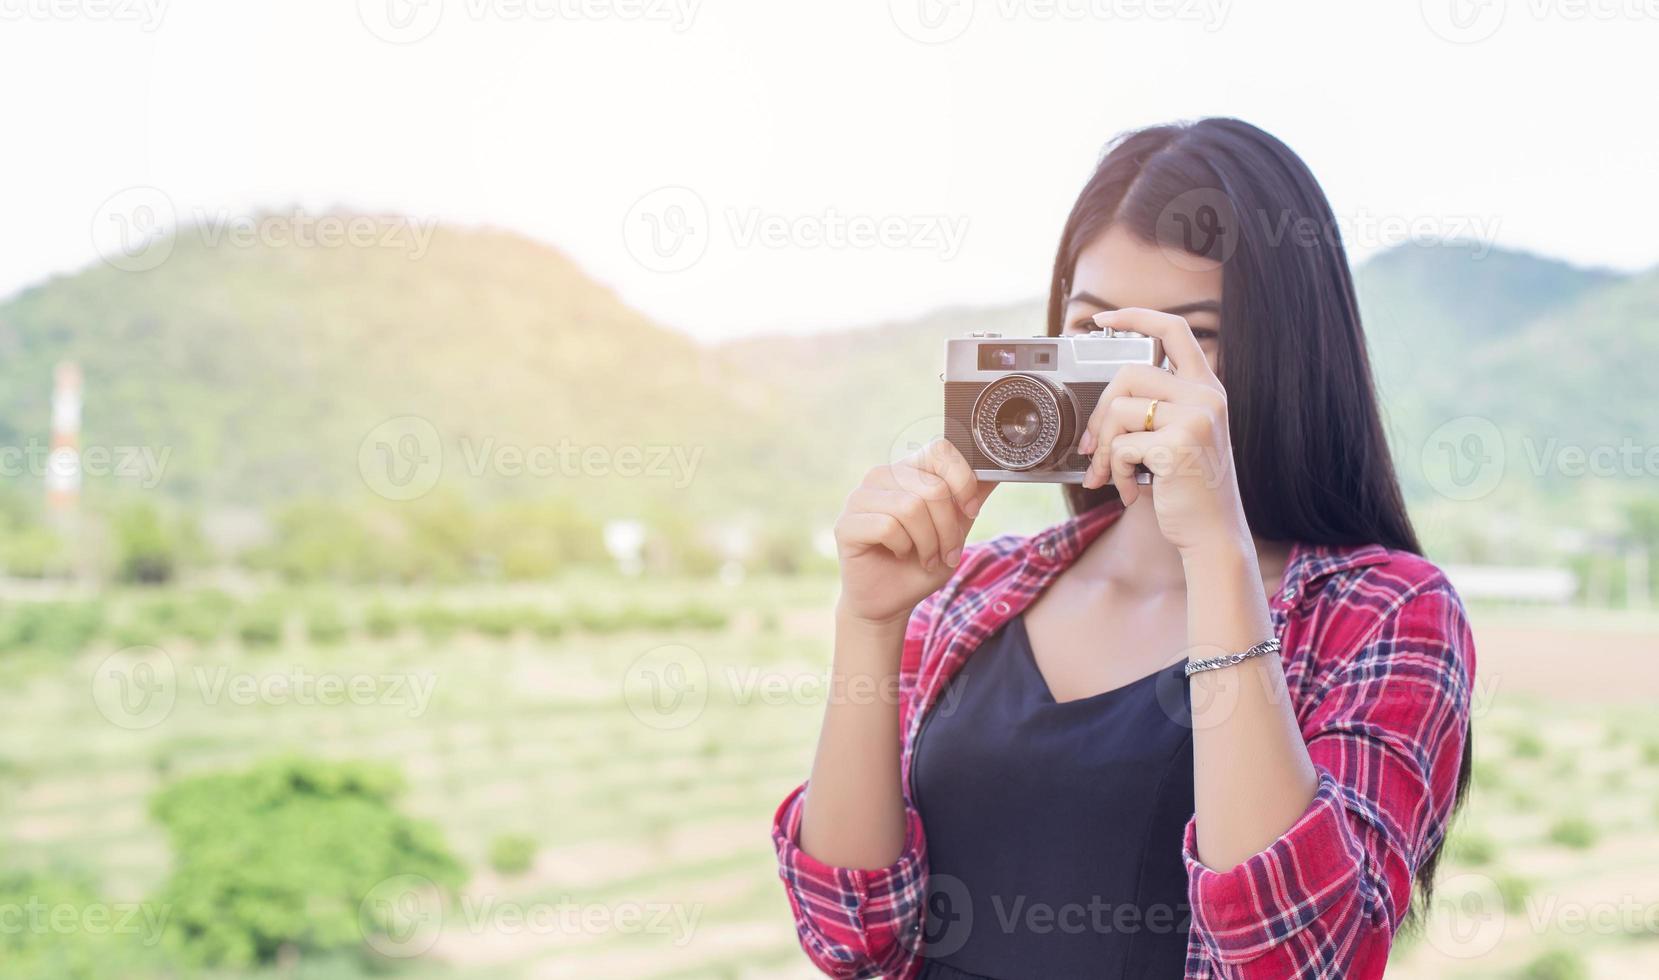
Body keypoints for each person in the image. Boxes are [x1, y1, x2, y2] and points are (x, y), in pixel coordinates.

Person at [770, 117, 1474, 979]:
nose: (1133, 376)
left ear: (1287, 349)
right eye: (1097, 330)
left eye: (1192, 337)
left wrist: (1216, 548)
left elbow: (1295, 963)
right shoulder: (980, 586)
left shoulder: (1387, 612)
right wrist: (869, 622)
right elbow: (853, 939)